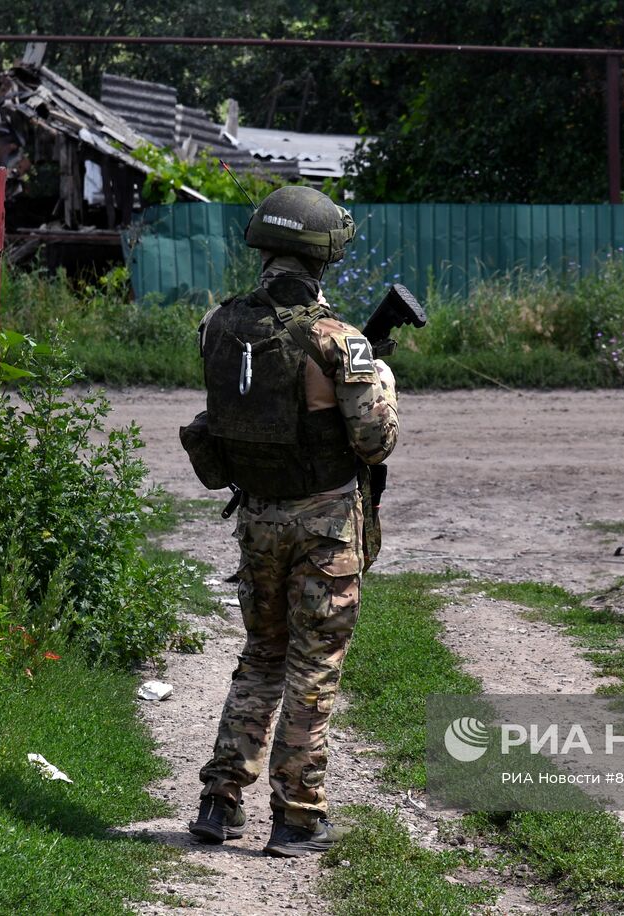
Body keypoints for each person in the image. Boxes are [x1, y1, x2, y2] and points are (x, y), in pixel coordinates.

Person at [188, 186, 398, 858]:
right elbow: (374, 442)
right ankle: (297, 817)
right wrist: (382, 380)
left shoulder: (217, 326)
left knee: (260, 656)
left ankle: (220, 803)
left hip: (255, 518)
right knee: (314, 668)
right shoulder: (340, 339)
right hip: (324, 529)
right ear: (325, 253)